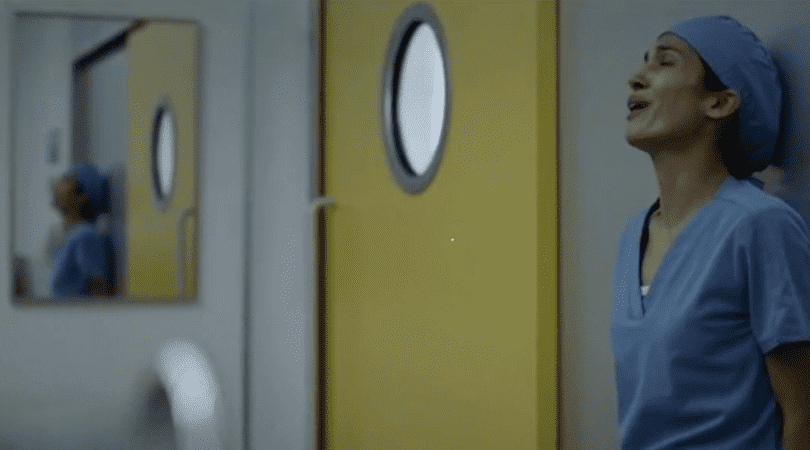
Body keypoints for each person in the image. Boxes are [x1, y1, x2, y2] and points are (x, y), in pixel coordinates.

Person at [611, 16, 810, 449]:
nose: (636, 77)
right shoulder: (632, 234)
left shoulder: (758, 226)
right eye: (644, 60)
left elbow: (804, 415)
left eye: (665, 62)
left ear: (720, 102)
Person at [50, 162, 115, 297]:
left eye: (66, 181)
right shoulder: (69, 236)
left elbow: (100, 295)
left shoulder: (86, 236)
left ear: (82, 197)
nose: (58, 185)